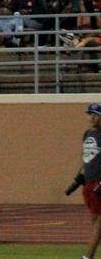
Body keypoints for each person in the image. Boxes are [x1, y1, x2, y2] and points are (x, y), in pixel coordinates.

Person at [67, 102, 101, 259]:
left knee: (99, 221)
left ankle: (88, 257)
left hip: (98, 183)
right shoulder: (88, 134)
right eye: (90, 114)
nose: (91, 118)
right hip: (88, 183)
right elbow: (85, 157)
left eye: (95, 114)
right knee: (95, 221)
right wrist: (78, 177)